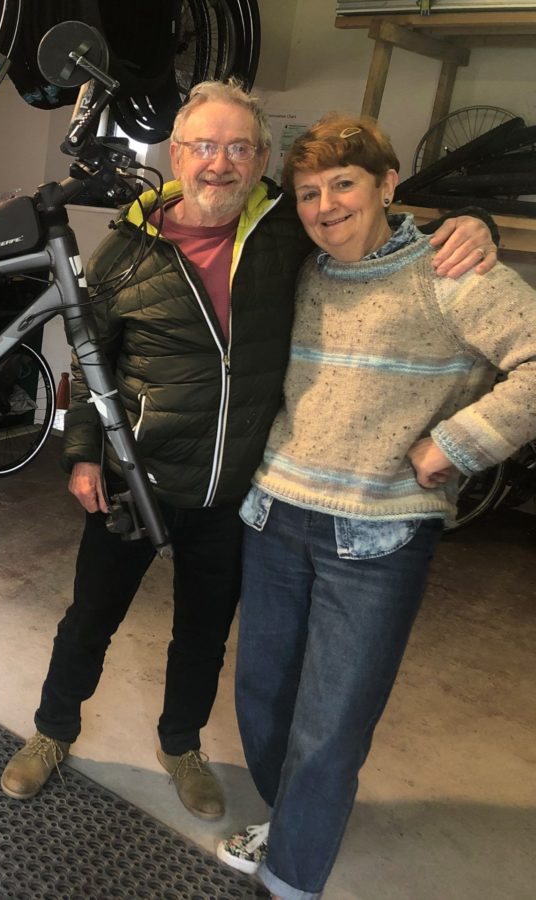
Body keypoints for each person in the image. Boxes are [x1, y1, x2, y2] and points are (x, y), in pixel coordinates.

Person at [0, 80, 497, 819]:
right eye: (203, 146)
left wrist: (474, 222)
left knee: (202, 634)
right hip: (136, 475)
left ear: (262, 157)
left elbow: (377, 224)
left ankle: (181, 744)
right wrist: (80, 454)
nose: (219, 164)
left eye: (238, 148)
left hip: (238, 486)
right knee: (89, 619)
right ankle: (51, 732)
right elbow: (87, 353)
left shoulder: (290, 230)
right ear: (177, 153)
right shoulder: (127, 246)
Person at [216, 113, 536, 899]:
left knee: (330, 726)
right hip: (276, 515)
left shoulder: (452, 270)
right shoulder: (308, 270)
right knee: (263, 702)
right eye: (309, 193)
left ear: (389, 185)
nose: (325, 207)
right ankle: (293, 815)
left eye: (344, 185)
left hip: (378, 538)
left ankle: (291, 876)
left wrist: (456, 444)